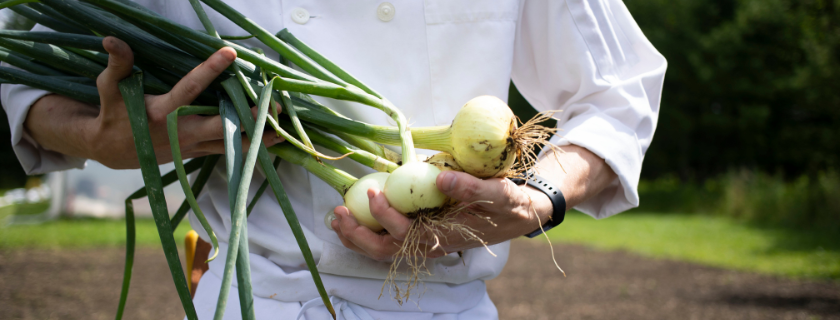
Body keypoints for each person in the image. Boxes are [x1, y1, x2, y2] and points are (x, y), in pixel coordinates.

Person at [2, 0, 666, 318]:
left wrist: (534, 198)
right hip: (251, 297)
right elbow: (20, 62)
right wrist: (96, 137)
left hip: (443, 308)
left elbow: (619, 94)